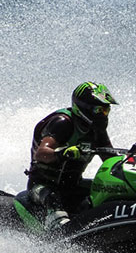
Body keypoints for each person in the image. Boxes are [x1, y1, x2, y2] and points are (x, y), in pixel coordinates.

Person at [26, 82, 119, 231]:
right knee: (52, 198)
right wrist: (63, 153)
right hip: (42, 185)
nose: (103, 115)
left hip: (73, 185)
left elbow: (110, 158)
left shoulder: (97, 130)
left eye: (106, 110)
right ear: (84, 108)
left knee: (111, 188)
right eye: (99, 110)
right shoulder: (63, 123)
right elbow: (42, 153)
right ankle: (60, 234)